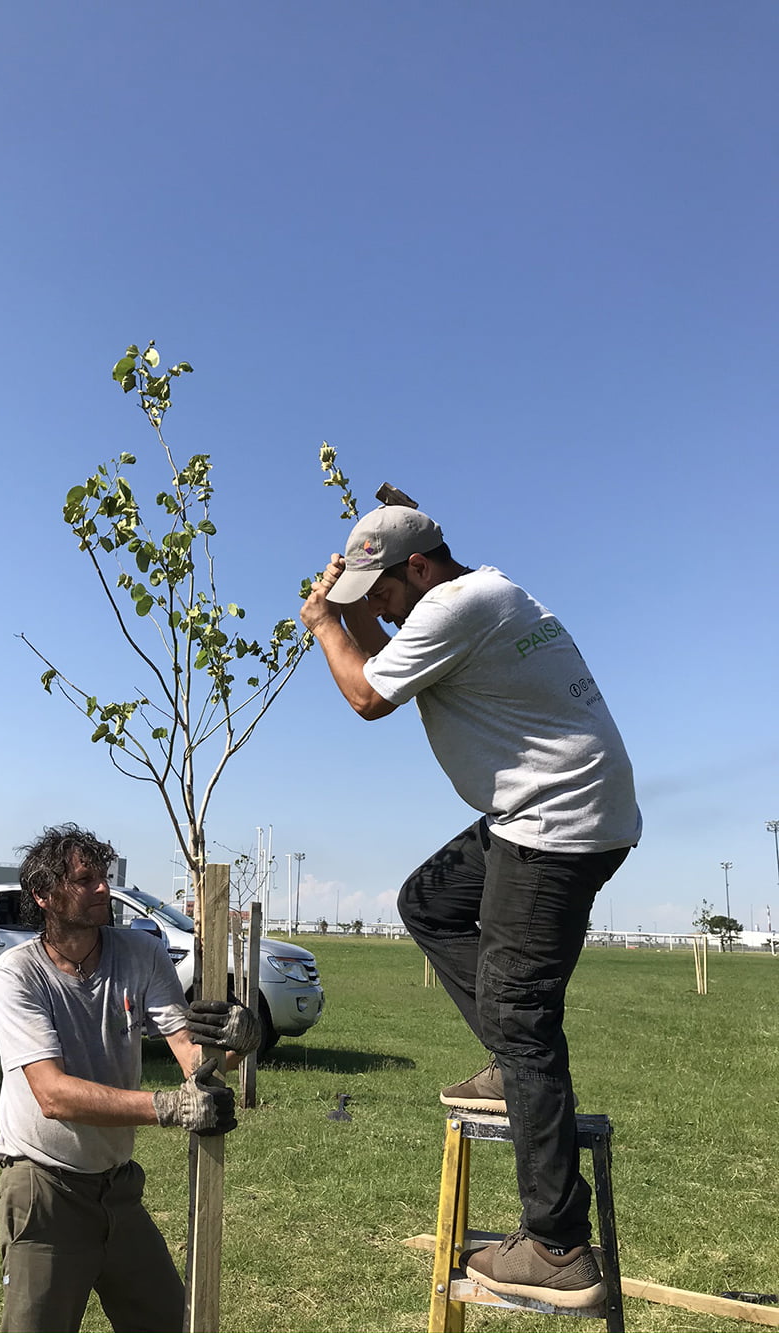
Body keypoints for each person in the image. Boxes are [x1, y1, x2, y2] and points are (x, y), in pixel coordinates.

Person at [300, 505, 640, 1309]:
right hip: (558, 810)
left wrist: (323, 620)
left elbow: (365, 694)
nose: (375, 606)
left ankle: (558, 1246)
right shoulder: (476, 597)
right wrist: (353, 604)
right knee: (430, 901)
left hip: (554, 824)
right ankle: (505, 1060)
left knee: (523, 1013)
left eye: (381, 589)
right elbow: (389, 659)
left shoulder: (454, 606)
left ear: (418, 569)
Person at [0, 823, 260, 1333]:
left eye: (104, 877)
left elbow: (192, 1060)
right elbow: (52, 1095)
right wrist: (170, 1108)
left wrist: (238, 1042)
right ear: (43, 896)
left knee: (167, 1323)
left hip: (118, 1190)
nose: (104, 889)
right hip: (44, 1190)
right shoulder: (16, 974)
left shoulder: (140, 953)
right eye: (86, 880)